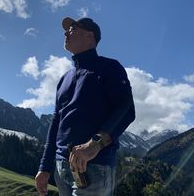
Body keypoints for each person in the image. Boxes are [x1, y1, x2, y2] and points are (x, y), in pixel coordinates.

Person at [35, 17, 135, 196]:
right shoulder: (64, 79)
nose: (66, 33)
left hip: (95, 166)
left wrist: (95, 144)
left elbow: (126, 110)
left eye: (72, 29)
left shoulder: (110, 67)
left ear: (90, 36)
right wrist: (44, 167)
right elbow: (56, 123)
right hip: (61, 169)